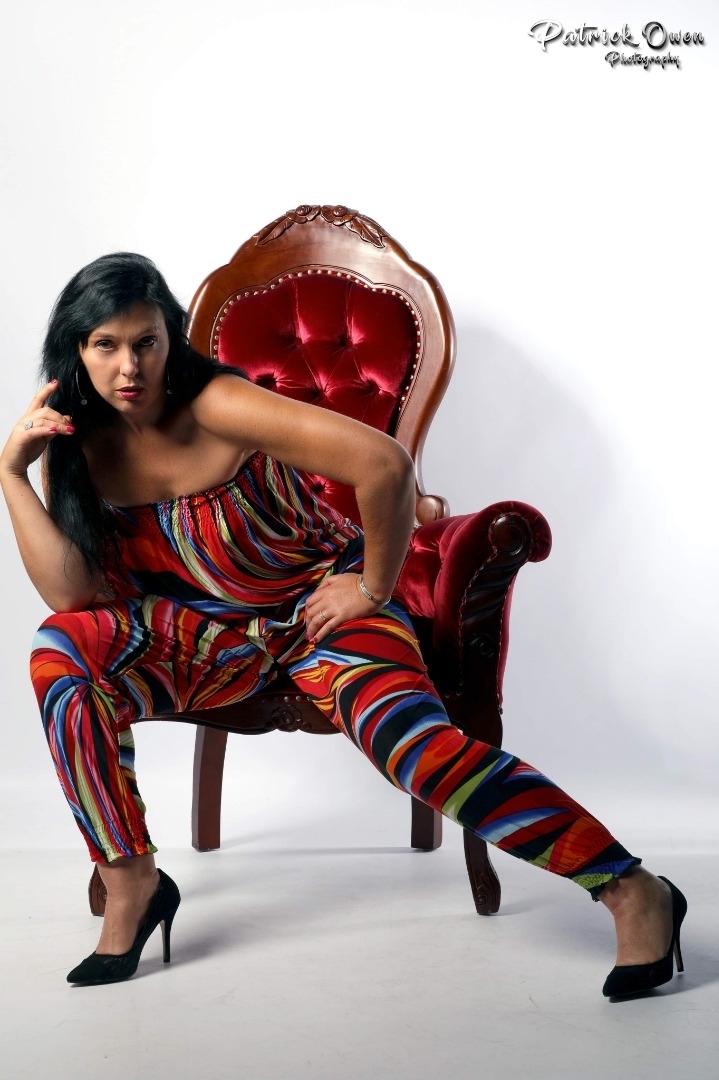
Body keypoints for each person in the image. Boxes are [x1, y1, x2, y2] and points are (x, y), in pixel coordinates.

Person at [0, 253, 686, 997]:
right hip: (209, 638)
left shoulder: (217, 405)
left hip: (316, 610)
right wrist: (12, 474)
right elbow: (73, 594)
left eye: (146, 342)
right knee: (59, 650)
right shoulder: (74, 442)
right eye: (105, 345)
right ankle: (131, 881)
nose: (129, 366)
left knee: (414, 749)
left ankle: (630, 888)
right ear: (76, 349)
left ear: (171, 337)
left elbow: (384, 465)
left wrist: (370, 585)